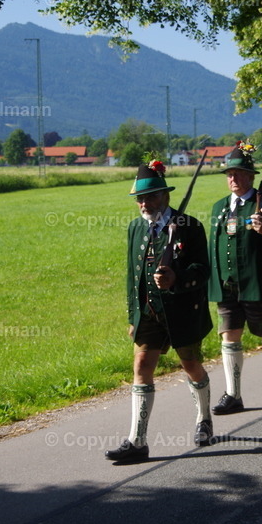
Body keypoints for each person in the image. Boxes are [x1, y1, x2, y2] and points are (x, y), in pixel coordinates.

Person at [105, 161, 213, 462]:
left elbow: (203, 270)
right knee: (141, 367)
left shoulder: (190, 226)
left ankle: (204, 418)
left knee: (190, 366)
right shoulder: (135, 227)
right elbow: (132, 275)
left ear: (164, 195)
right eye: (140, 198)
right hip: (149, 313)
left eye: (150, 196)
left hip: (182, 312)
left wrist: (177, 278)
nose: (144, 203)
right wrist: (132, 316)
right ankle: (137, 441)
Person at [208, 143, 262, 414]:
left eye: (240, 173)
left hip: (257, 284)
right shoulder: (219, 208)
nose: (233, 178)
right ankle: (233, 394)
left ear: (252, 176)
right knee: (229, 336)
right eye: (230, 174)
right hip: (227, 287)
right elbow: (214, 248)